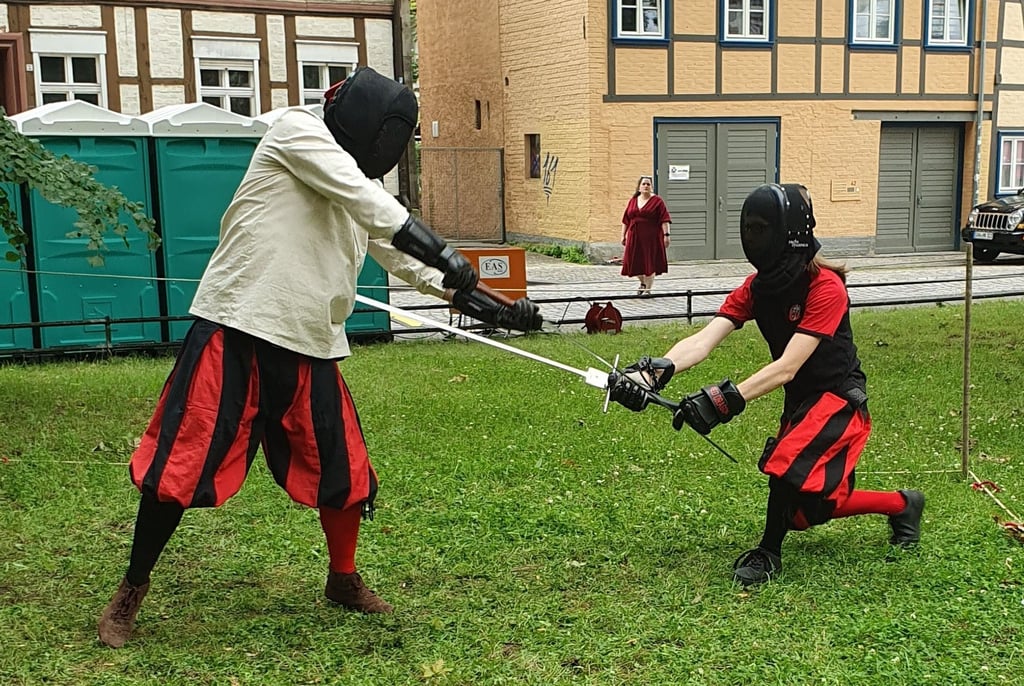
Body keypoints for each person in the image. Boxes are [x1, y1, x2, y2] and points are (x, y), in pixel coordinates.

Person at [97, 66, 543, 648]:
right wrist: (446, 252)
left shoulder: (366, 182)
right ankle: (131, 589)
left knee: (344, 469)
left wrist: (490, 303)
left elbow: (400, 254)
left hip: (311, 339)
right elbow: (367, 202)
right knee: (180, 465)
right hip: (240, 323)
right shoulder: (296, 132)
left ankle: (343, 579)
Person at [608, 183, 925, 587]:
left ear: (789, 231)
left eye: (763, 228)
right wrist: (655, 371)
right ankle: (903, 504)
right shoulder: (757, 288)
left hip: (839, 400)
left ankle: (768, 553)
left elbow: (788, 366)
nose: (754, 237)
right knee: (805, 512)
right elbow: (705, 339)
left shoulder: (826, 287)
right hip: (802, 405)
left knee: (787, 468)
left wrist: (725, 399)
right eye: (751, 228)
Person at [620, 175, 671, 296]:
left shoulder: (657, 201)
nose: (646, 186)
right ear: (639, 187)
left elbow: (664, 219)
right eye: (644, 184)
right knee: (633, 261)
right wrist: (623, 235)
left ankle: (647, 289)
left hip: (651, 237)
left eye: (648, 184)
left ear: (652, 187)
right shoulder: (633, 201)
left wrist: (666, 235)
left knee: (649, 262)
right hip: (634, 236)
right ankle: (643, 283)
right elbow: (626, 219)